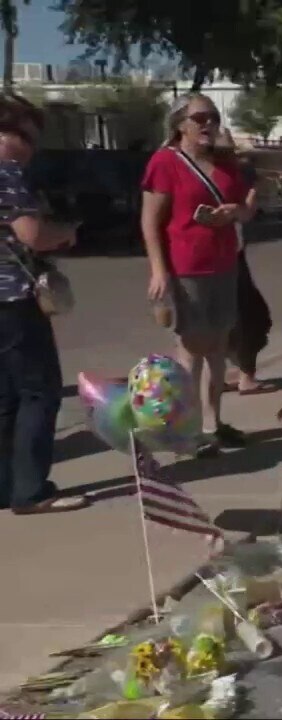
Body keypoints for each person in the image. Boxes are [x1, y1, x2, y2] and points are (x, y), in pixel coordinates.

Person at [141, 93, 254, 457]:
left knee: (219, 348)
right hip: (185, 267)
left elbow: (248, 210)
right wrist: (158, 269)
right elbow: (150, 221)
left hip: (224, 264)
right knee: (190, 349)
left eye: (214, 117)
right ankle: (184, 433)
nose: (209, 124)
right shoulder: (165, 162)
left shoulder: (224, 163)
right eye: (200, 118)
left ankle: (212, 424)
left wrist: (235, 211)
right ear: (180, 124)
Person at [0, 94, 88, 514]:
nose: (31, 151)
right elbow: (32, 235)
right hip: (13, 298)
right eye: (28, 139)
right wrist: (65, 234)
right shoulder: (7, 172)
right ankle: (32, 490)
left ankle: (6, 486)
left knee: (6, 398)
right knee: (39, 392)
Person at [216, 131, 273, 395]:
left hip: (230, 254)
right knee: (247, 318)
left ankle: (236, 372)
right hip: (221, 257)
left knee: (243, 317)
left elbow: (247, 209)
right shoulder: (230, 173)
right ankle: (244, 375)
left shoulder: (233, 172)